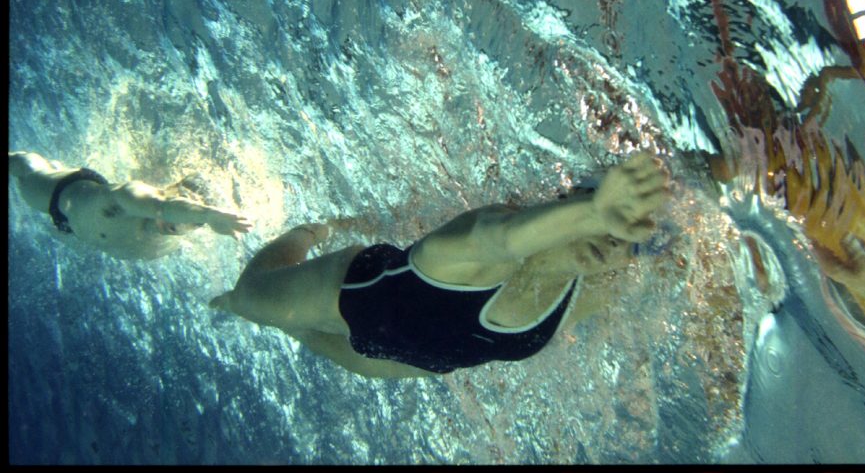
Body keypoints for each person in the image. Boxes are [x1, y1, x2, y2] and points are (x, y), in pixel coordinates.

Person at [211, 152, 670, 378]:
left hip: (389, 362)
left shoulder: (594, 283)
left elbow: (679, 255)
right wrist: (595, 213)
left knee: (300, 333)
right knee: (248, 297)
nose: (610, 242)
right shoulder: (488, 241)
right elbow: (504, 239)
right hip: (350, 297)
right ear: (571, 198)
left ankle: (287, 323)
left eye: (626, 240)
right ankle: (310, 231)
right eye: (605, 218)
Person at [8, 151, 253, 260]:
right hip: (63, 194)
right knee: (27, 167)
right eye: (185, 211)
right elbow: (162, 206)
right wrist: (210, 214)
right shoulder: (132, 197)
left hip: (75, 228)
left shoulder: (166, 245)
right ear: (172, 193)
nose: (177, 225)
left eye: (193, 223)